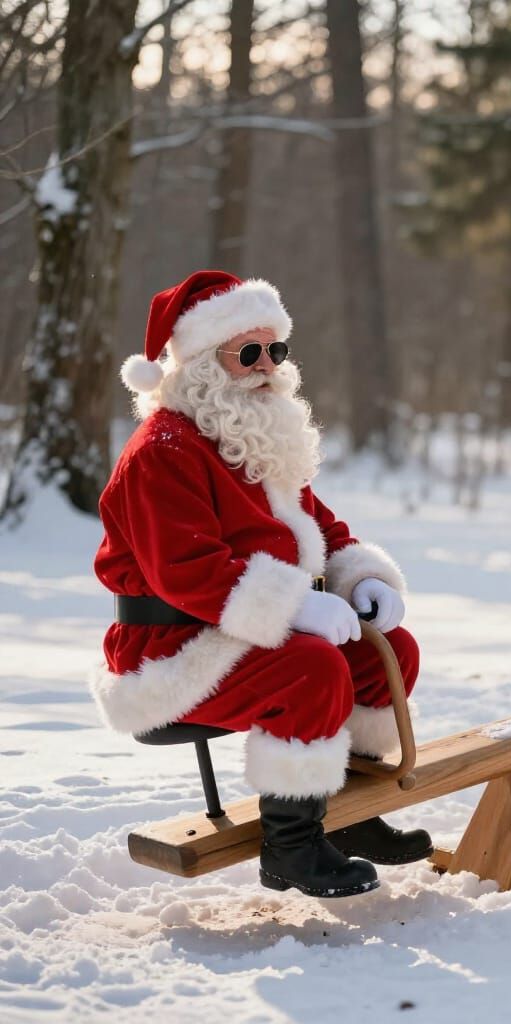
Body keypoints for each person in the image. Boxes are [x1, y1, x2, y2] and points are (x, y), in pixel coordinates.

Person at [92, 270, 432, 898]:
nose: (266, 367)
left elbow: (319, 527)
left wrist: (358, 577)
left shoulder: (257, 434)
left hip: (248, 633)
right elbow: (185, 570)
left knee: (390, 655)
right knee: (310, 668)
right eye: (247, 352)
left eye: (276, 350)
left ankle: (344, 815)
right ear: (197, 361)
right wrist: (298, 605)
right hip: (176, 652)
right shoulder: (161, 450)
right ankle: (292, 848)